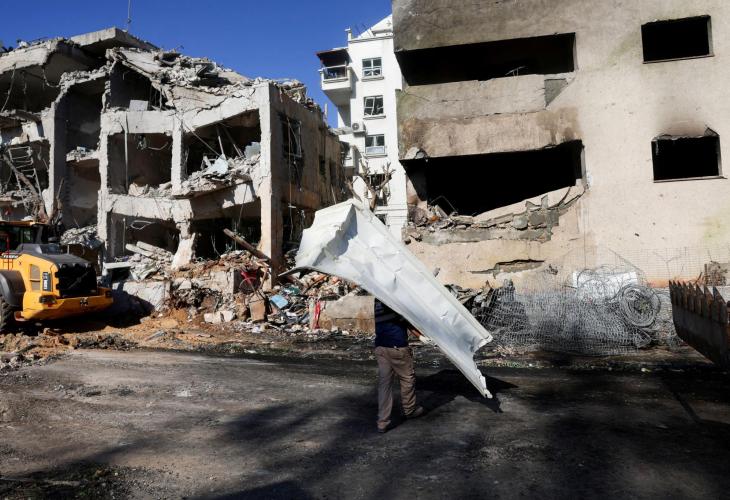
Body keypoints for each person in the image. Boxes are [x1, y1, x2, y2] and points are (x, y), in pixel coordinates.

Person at [374, 298, 426, 433]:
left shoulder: (377, 298)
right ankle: (410, 410)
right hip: (397, 347)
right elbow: (406, 320)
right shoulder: (394, 297)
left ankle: (382, 422)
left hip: (380, 346)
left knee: (385, 385)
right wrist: (420, 336)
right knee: (407, 379)